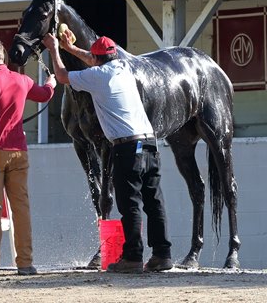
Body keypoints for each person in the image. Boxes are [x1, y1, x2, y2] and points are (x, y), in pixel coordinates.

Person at [42, 32, 172, 273]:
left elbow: (61, 76)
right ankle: (162, 255)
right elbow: (92, 58)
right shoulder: (123, 66)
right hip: (149, 142)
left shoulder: (98, 76)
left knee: (129, 202)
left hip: (127, 146)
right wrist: (71, 49)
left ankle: (132, 257)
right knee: (154, 199)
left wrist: (53, 49)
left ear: (98, 60)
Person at [0, 39, 56, 277]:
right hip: (19, 151)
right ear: (3, 58)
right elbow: (45, 95)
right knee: (21, 209)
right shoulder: (23, 80)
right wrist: (51, 82)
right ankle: (25, 264)